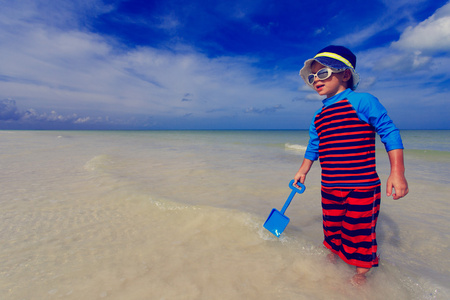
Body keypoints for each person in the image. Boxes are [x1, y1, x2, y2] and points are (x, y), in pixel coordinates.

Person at [293, 45, 409, 285]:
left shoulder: (362, 102)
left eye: (323, 73)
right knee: (332, 227)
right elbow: (314, 145)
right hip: (330, 186)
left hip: (362, 187)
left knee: (360, 232)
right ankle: (334, 257)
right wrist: (303, 171)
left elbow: (389, 132)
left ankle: (360, 275)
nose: (316, 80)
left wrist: (397, 173)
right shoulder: (319, 116)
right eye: (313, 77)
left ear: (345, 74)